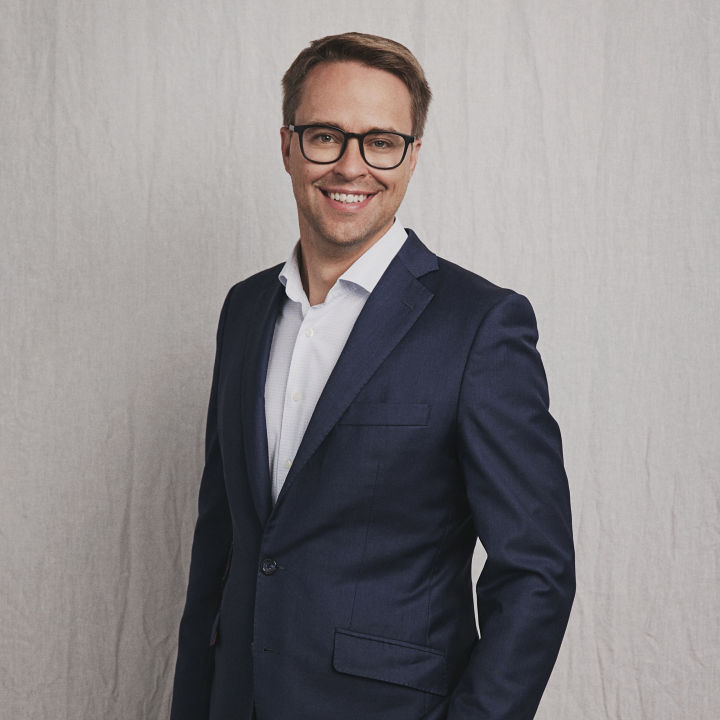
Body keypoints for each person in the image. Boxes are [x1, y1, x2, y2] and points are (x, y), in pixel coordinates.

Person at [170, 32, 575, 720]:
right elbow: (221, 546)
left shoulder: (480, 326)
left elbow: (536, 572)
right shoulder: (244, 310)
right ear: (288, 146)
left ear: (412, 155)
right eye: (326, 136)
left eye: (380, 142)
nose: (351, 166)